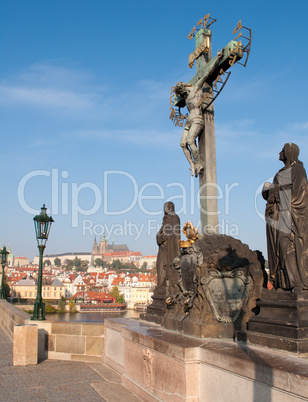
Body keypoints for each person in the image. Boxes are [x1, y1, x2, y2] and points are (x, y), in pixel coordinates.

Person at [262, 143, 308, 290]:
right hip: (281, 215)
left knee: (287, 245)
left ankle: (297, 284)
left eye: (282, 151)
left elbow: (300, 195)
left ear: (288, 152)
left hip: (293, 216)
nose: (279, 153)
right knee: (280, 247)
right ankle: (284, 283)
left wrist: (274, 190)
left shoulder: (297, 170)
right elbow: (274, 196)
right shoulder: (281, 173)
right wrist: (271, 191)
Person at [174, 50, 224, 177]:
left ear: (184, 88)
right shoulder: (184, 97)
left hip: (197, 118)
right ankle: (192, 164)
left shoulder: (195, 88)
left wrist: (218, 58)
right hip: (189, 120)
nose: (182, 95)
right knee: (182, 144)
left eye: (181, 92)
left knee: (191, 141)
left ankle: (199, 163)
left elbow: (207, 74)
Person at [156, 202, 181, 293]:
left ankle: (166, 287)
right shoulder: (165, 220)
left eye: (167, 208)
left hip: (170, 249)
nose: (165, 210)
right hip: (162, 249)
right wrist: (160, 237)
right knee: (160, 267)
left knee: (166, 266)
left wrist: (165, 237)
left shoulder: (175, 218)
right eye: (164, 208)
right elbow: (159, 234)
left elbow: (176, 235)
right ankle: (160, 285)